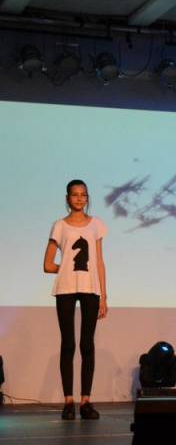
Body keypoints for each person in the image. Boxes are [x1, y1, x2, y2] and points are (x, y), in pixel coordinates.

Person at [43, 179, 108, 420]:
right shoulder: (59, 226)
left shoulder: (96, 224)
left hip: (90, 289)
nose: (79, 198)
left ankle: (86, 401)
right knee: (68, 344)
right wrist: (65, 270)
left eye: (83, 194)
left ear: (87, 198)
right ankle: (69, 401)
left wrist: (104, 296)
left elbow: (99, 262)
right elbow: (47, 264)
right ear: (67, 198)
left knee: (87, 345)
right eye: (75, 194)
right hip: (66, 289)